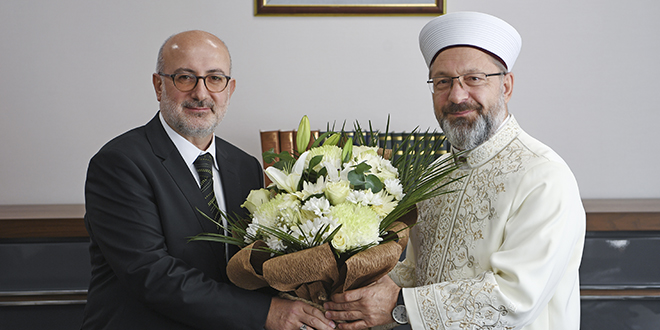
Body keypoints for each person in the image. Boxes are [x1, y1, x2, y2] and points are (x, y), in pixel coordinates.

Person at [324, 12, 585, 330]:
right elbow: (417, 270)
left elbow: (514, 299)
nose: (457, 96)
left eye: (474, 79)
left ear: (506, 86)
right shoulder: (436, 172)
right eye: (443, 82)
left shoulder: (544, 177)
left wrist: (398, 304)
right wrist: (353, 295)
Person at [81, 30, 335, 330]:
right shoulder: (120, 163)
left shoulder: (245, 166)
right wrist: (267, 313)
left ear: (230, 89)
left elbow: (254, 264)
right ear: (158, 84)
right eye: (185, 77)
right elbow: (151, 275)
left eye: (215, 78)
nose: (201, 93)